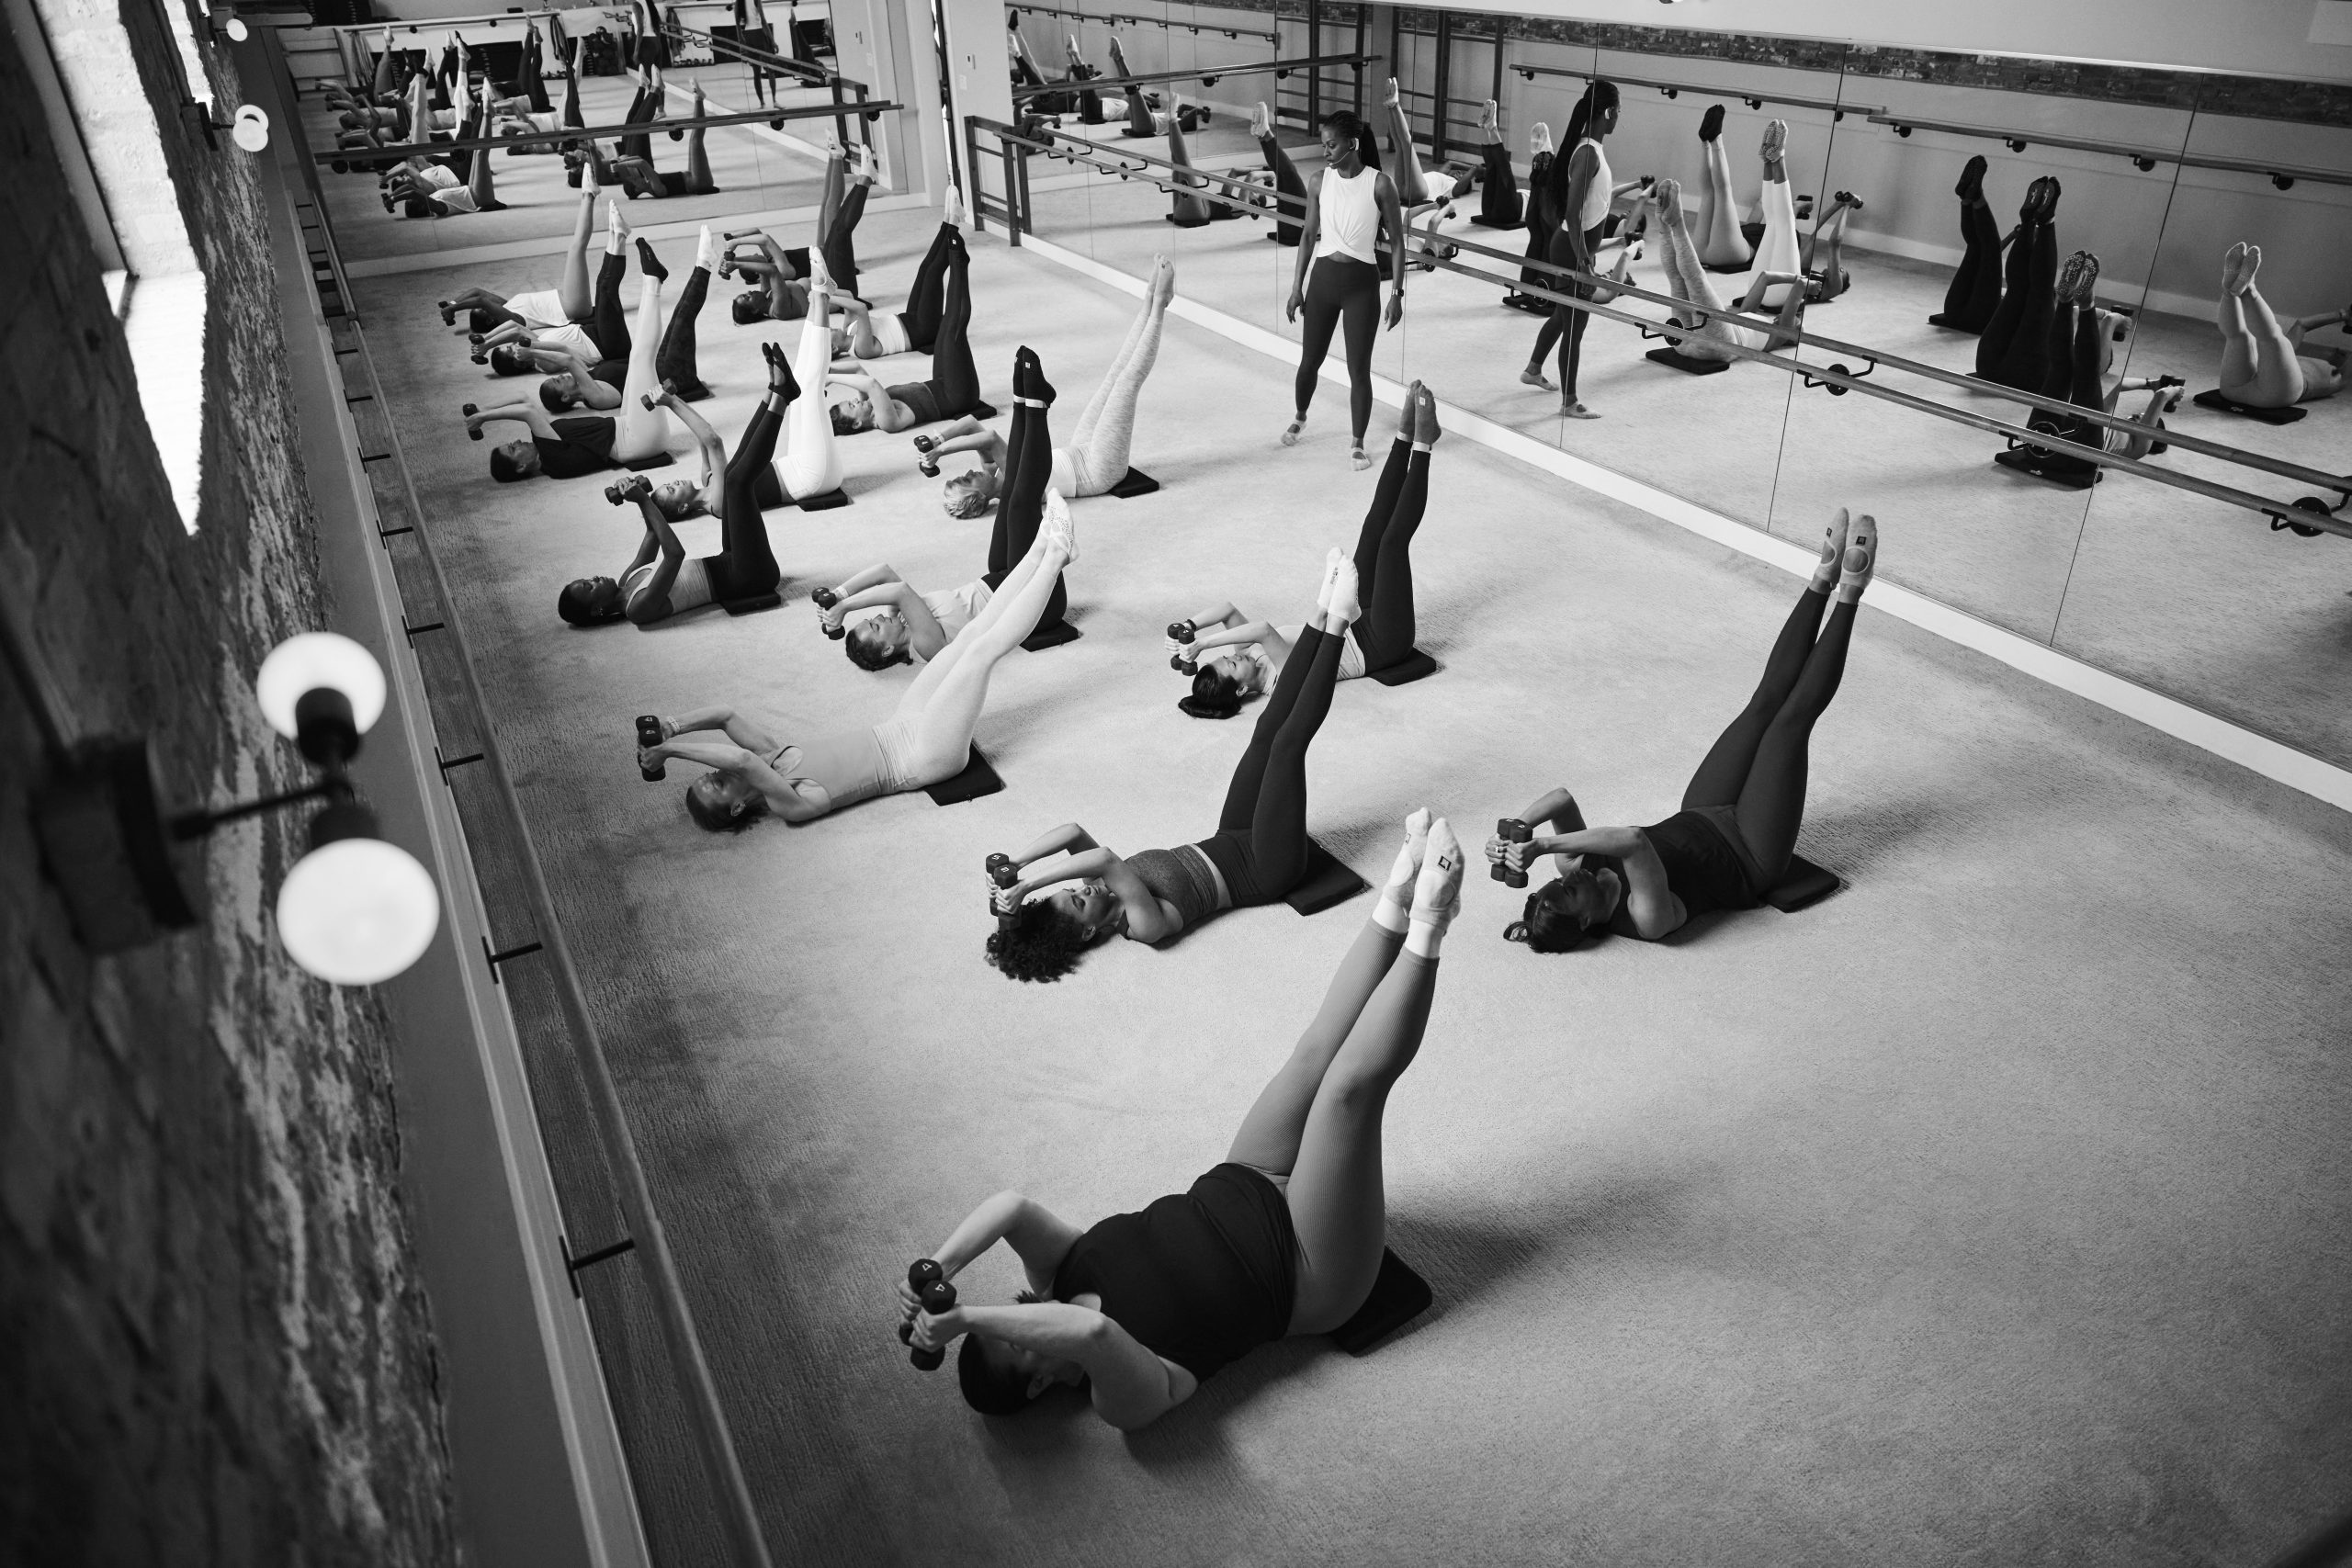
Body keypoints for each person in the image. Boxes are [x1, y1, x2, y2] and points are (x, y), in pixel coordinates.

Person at [910, 811, 1463, 1428]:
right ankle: (1434, 920)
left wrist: (941, 1267)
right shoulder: (1121, 1398)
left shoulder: (1057, 1272)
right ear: (1039, 1382)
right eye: (1015, 1339)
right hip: (1309, 1268)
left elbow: (1010, 1206)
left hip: (1245, 1175)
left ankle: (1399, 893)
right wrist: (966, 1321)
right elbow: (1090, 1331)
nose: (1015, 1320)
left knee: (1313, 1052)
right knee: (1346, 1093)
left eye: (1004, 1322)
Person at [1490, 510, 1877, 949]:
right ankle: (1851, 592)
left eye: (1557, 882)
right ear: (1584, 922)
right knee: (1786, 728)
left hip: (1701, 810)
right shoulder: (1645, 919)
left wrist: (1515, 828)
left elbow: (1561, 797)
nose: (1573, 874)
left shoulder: (1575, 866)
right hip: (1749, 852)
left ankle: (1821, 578)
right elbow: (1633, 842)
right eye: (1572, 890)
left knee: (1762, 705)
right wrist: (1541, 848)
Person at [983, 549, 1364, 978]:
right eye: (1078, 899)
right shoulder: (1140, 925)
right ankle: (1339, 624)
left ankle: (1321, 610)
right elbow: (1106, 857)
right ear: (1089, 933)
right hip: (1265, 868)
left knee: (1265, 731)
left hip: (1231, 834)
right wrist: (1032, 886)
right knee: (1287, 747)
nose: (1082, 887)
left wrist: (1016, 866)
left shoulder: (1102, 883)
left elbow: (1072, 831)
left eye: (1071, 888)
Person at [638, 499, 1077, 829]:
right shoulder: (788, 804)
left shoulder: (768, 756)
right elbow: (740, 761)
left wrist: (673, 727)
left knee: (969, 640)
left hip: (900, 725)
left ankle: (1041, 548)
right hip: (922, 756)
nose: (716, 771)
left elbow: (725, 714)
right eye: (715, 783)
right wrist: (670, 752)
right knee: (983, 654)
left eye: (709, 775)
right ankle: (1056, 556)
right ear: (735, 807)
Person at [1173, 383, 1440, 716]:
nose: (1235, 656)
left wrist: (1189, 627)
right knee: (1391, 544)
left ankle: (1403, 438)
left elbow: (1226, 610)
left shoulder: (1249, 655)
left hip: (1356, 618)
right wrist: (1204, 644)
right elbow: (1263, 629)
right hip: (1382, 645)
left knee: (1372, 531)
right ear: (1242, 689)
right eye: (1232, 666)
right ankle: (1424, 445)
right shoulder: (1280, 682)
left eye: (1225, 657)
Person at [821, 345, 1079, 665]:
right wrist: (845, 609)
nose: (879, 619)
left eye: (872, 619)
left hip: (1001, 579)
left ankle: (1024, 403)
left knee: (1011, 488)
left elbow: (884, 573)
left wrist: (840, 594)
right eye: (875, 626)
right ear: (887, 649)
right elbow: (899, 589)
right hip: (1033, 607)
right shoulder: (925, 646)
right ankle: (1038, 406)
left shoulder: (902, 619)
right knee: (1021, 505)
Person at [557, 344, 804, 625]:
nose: (595, 578)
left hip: (731, 558)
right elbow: (674, 554)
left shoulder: (628, 579)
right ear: (597, 610)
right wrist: (644, 501)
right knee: (736, 483)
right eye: (590, 587)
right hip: (749, 577)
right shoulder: (638, 609)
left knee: (732, 470)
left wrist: (636, 493)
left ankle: (775, 390)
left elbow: (654, 531)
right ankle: (782, 398)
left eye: (587, 579)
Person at [916, 255, 1172, 513]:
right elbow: (991, 437)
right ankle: (1160, 305)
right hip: (1099, 470)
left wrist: (937, 440)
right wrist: (941, 453)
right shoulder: (1012, 488)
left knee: (1115, 374)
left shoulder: (992, 471)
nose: (968, 472)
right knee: (1126, 383)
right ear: (978, 498)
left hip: (1080, 450)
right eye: (967, 479)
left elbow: (972, 424)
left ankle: (1151, 299)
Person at [465, 231, 673, 479]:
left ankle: (653, 279)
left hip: (630, 426)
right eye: (514, 448)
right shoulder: (553, 459)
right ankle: (653, 282)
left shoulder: (547, 443)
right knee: (641, 356)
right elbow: (527, 412)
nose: (518, 442)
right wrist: (482, 418)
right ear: (521, 466)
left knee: (640, 355)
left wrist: (483, 407)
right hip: (638, 438)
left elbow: (523, 399)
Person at [1284, 109, 1406, 470]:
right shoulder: (1319, 181)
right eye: (1324, 145)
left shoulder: (1380, 184)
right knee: (1310, 361)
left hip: (1361, 286)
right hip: (1323, 281)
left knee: (1358, 370)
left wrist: (1398, 294)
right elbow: (1308, 236)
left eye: (1331, 145)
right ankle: (1301, 415)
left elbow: (1398, 242)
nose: (1325, 151)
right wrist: (1296, 287)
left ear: (1351, 144)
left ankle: (1357, 442)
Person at [2014, 253, 2184, 473]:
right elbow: (2121, 385)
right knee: (2062, 372)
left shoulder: (2140, 448)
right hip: (2040, 445)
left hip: (2076, 456)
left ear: (2154, 433)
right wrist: (2149, 382)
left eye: (2139, 418)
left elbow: (2160, 397)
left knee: (2080, 376)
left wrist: (2173, 391)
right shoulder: (2110, 425)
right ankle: (2068, 303)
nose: (2132, 417)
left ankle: (2083, 306)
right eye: (2135, 416)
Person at [1519, 81, 1623, 419]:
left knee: (1562, 317)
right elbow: (1572, 214)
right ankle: (1569, 401)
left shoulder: (1591, 149)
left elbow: (1595, 203)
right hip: (1570, 250)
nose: (1619, 117)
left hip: (1574, 249)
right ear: (1608, 113)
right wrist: (1585, 265)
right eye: (1618, 111)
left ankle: (1533, 369)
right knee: (1575, 326)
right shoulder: (1588, 152)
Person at [826, 227, 980, 434]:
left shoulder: (870, 404)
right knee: (953, 327)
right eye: (852, 406)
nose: (855, 401)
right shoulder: (885, 421)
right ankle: (959, 264)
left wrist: (825, 371)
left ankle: (957, 259)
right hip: (957, 395)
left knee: (946, 327)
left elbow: (858, 370)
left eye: (850, 401)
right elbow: (870, 383)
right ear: (856, 424)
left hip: (940, 382)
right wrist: (833, 379)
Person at [1644, 178, 1812, 363]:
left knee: (1697, 280)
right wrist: (1796, 276)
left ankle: (1678, 223)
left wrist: (1804, 282)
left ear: (1792, 334)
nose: (1796, 319)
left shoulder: (1779, 336)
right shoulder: (1752, 317)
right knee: (1677, 281)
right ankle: (1664, 227)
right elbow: (1764, 278)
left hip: (1720, 344)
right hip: (1686, 344)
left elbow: (1796, 295)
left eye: (1798, 324)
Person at [723, 144, 874, 321]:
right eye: (747, 297)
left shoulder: (767, 293)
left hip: (830, 275)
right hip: (842, 290)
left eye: (746, 292)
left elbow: (762, 262)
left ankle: (864, 177)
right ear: (755, 311)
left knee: (836, 227)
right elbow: (772, 270)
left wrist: (732, 257)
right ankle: (866, 179)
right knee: (840, 231)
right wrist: (737, 265)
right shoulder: (779, 311)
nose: (749, 291)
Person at [2215, 243, 2346, 408]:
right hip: (2247, 390)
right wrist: (2342, 315)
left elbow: (2301, 325)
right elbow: (2301, 324)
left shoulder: (2338, 374)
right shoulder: (2286, 357)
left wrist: (2341, 316)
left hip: (2266, 393)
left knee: (2252, 338)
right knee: (2249, 337)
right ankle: (2236, 289)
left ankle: (2241, 290)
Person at [1975, 175, 2061, 390]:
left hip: (1988, 366)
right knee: (2036, 295)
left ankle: (2035, 222)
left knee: (2021, 292)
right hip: (2022, 373)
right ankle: (2039, 221)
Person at [568, 81, 720, 200]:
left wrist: (621, 162)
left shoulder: (646, 183)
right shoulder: (657, 190)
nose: (636, 179)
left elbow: (636, 162)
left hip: (691, 175)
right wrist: (620, 163)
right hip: (699, 182)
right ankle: (698, 99)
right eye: (636, 183)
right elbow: (641, 163)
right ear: (640, 190)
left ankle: (698, 98)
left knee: (695, 138)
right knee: (695, 140)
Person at [1930, 155, 2010, 333]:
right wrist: (2013, 236)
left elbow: (1994, 252)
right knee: (1975, 247)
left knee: (1985, 249)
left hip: (1978, 315)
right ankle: (1966, 200)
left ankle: (1974, 197)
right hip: (1954, 311)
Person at [1691, 103, 1753, 270]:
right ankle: (1706, 143)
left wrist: (1799, 206)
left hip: (1729, 252)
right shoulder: (1765, 227)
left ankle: (1714, 141)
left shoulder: (1780, 229)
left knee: (1722, 193)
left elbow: (1766, 208)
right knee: (1709, 193)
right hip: (1711, 251)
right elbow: (1761, 207)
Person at [1250, 102, 1308, 248]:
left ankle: (1265, 134)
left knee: (1289, 173)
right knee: (1283, 173)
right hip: (1292, 228)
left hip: (1299, 228)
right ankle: (1262, 136)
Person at [1472, 98, 1522, 229]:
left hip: (1508, 213)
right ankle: (1488, 128)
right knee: (1493, 168)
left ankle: (1491, 128)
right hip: (1493, 213)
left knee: (1501, 169)